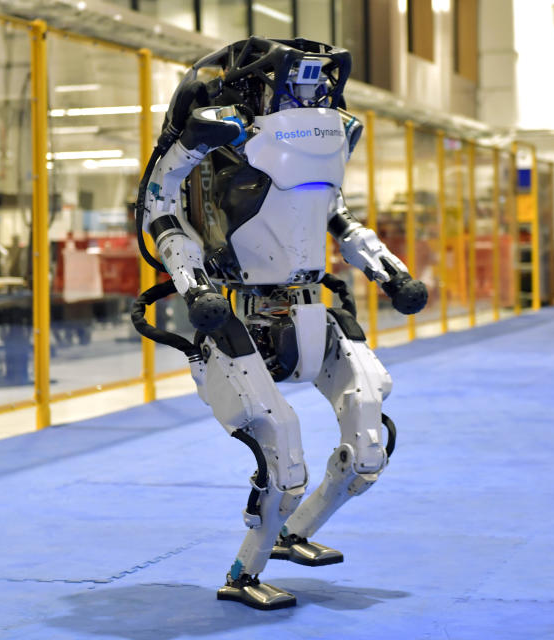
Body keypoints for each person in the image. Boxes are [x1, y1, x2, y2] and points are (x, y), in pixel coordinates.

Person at [131, 36, 427, 610]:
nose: (315, 90)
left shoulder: (335, 134)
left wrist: (390, 275)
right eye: (305, 79)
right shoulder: (216, 135)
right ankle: (244, 572)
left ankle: (297, 533)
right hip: (234, 317)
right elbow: (159, 209)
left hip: (310, 307)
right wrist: (193, 286)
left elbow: (336, 213)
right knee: (282, 451)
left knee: (368, 442)